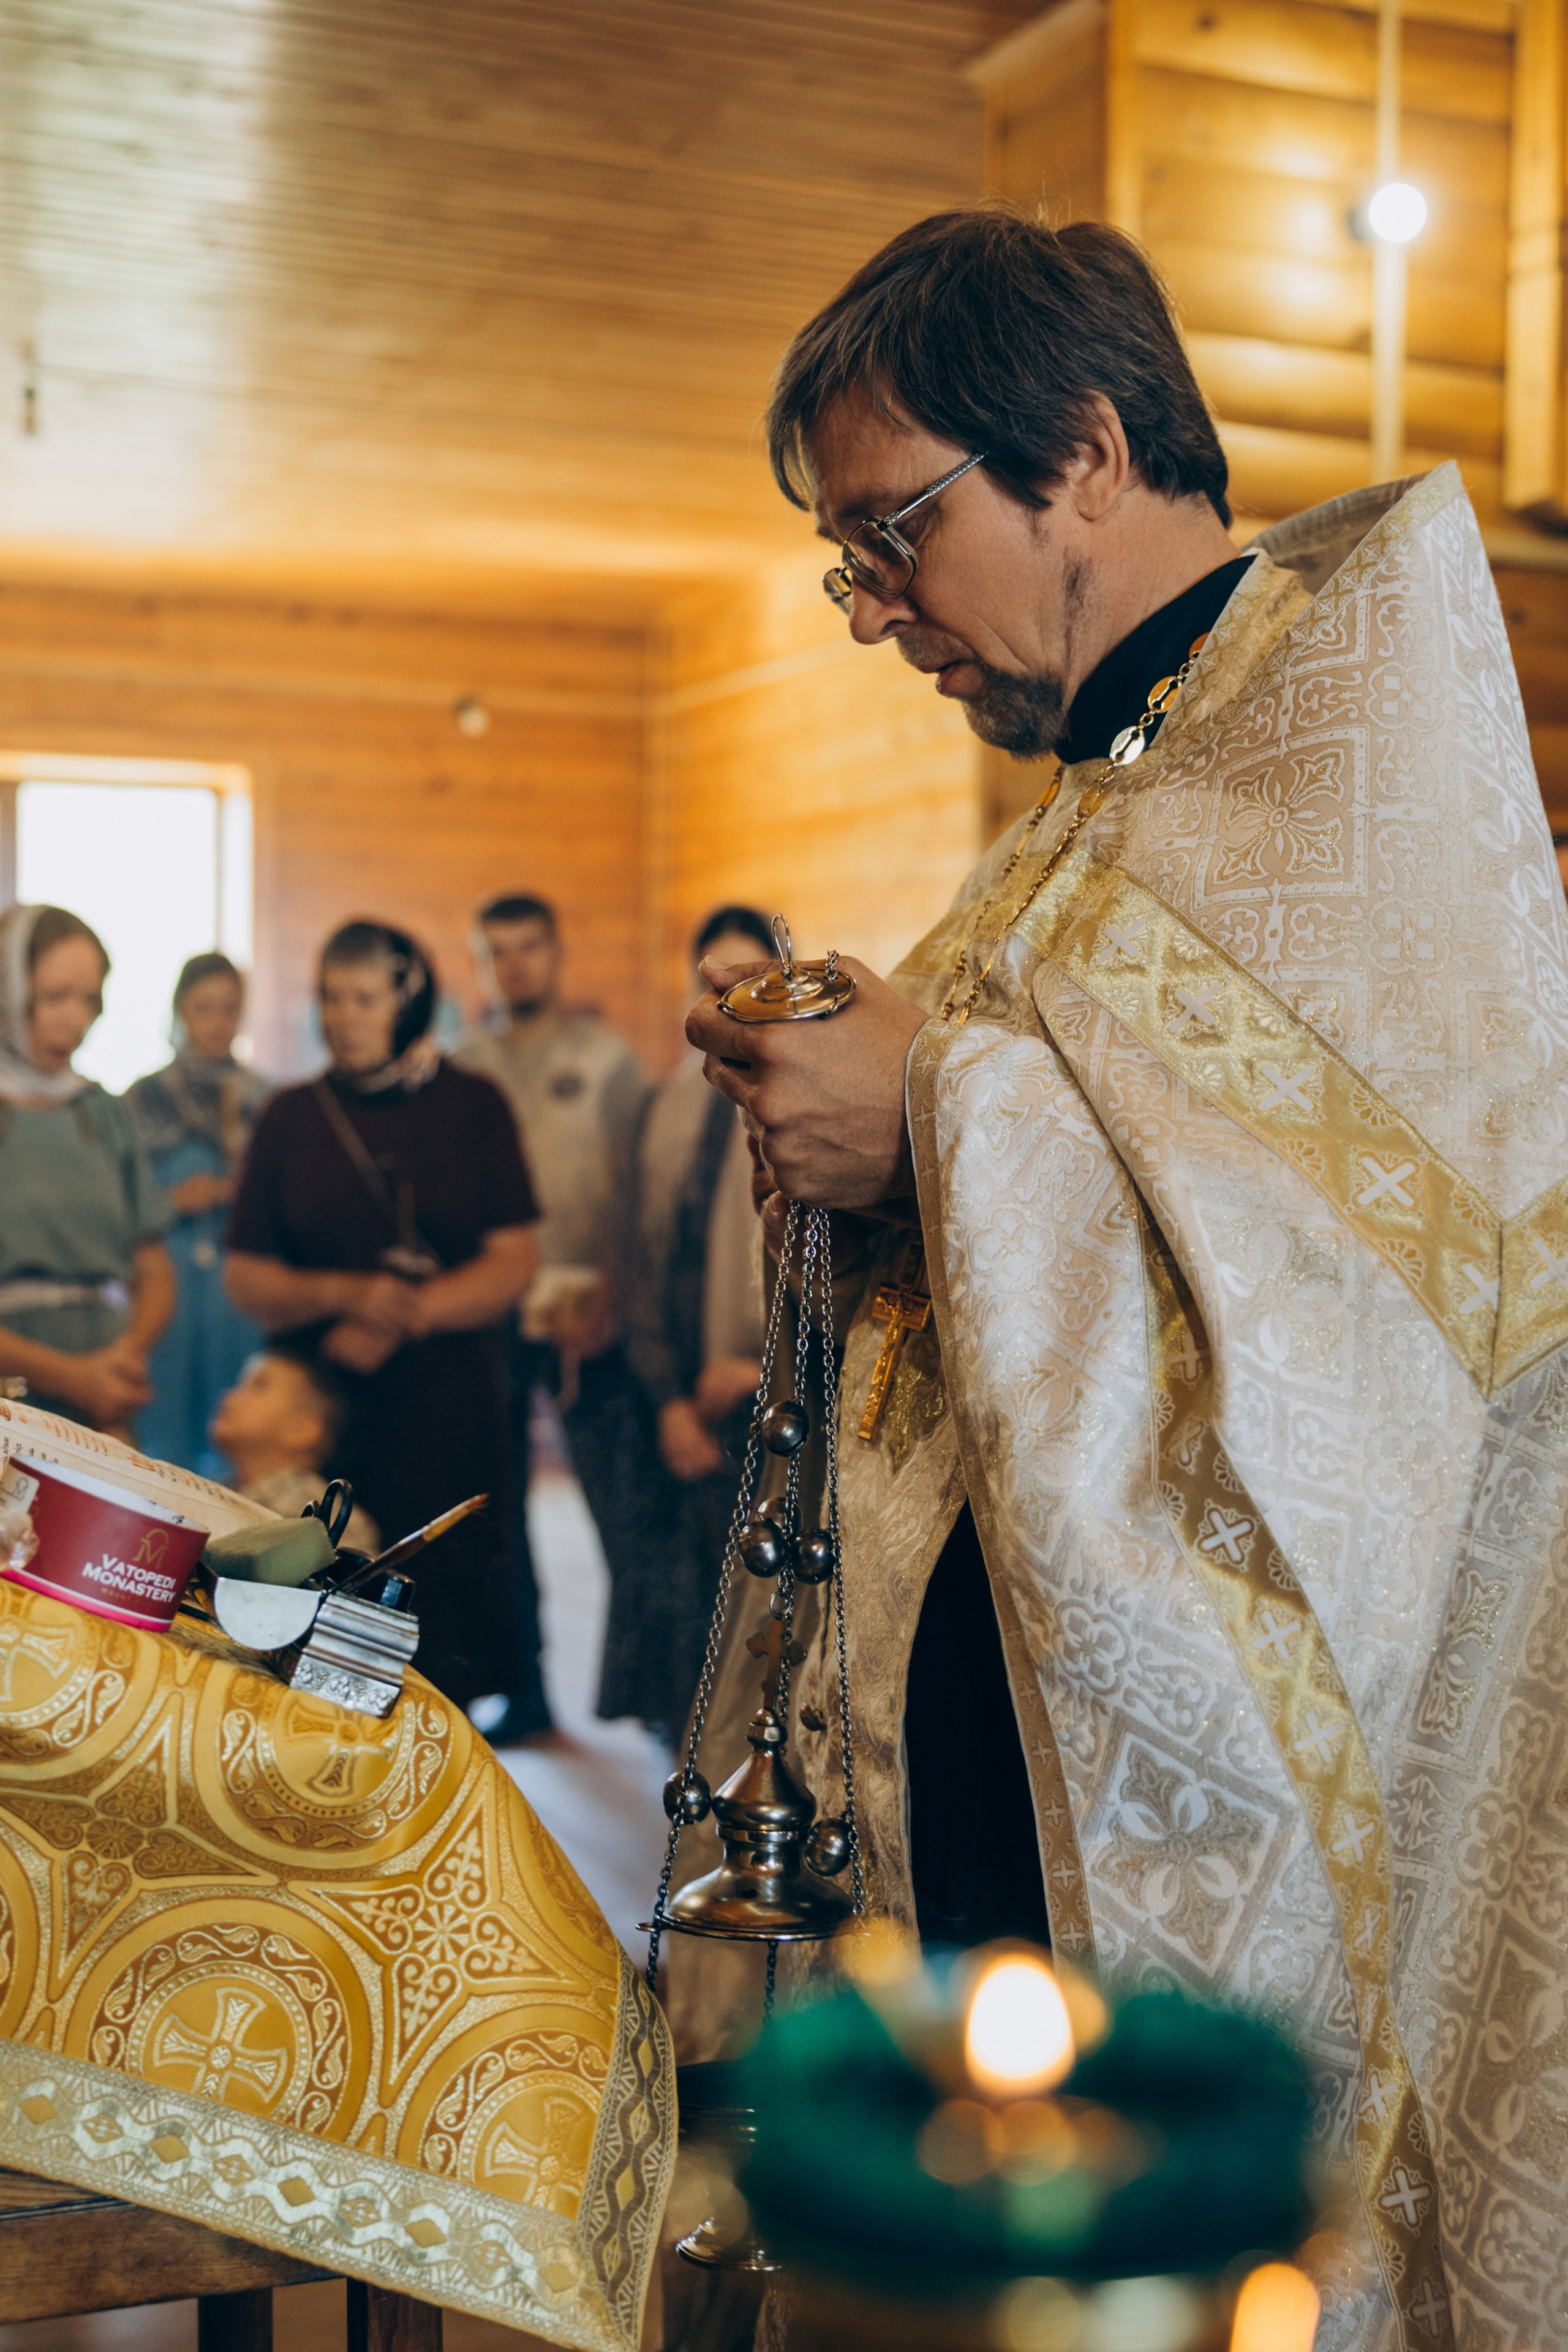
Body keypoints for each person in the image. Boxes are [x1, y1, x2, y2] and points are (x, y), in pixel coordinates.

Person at [681, 212, 1568, 2348]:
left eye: (896, 535)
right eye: (847, 564)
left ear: (1083, 444)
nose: (879, 615)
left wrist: (937, 1121)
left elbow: (1379, 1311)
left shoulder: (1356, 777)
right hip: (1003, 1749)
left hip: (1220, 1792)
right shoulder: (1098, 799)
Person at [225, 919, 540, 1716]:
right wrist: (344, 1296)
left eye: (364, 998)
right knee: (316, 1626)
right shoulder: (291, 1117)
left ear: (408, 1000)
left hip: (445, 1407)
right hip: (320, 1411)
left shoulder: (476, 1106)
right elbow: (247, 1275)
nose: (344, 1017)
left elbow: (513, 1262)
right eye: (331, 997)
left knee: (443, 1620)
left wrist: (406, 1313)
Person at [457, 892, 649, 1735]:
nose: (515, 964)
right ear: (481, 963)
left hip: (589, 1308)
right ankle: (525, 1684)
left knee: (618, 1500)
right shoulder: (468, 1068)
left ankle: (650, 1694)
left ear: (557, 951)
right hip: (499, 1306)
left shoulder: (609, 1060)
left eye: (529, 946)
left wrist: (613, 1291)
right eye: (497, 951)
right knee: (500, 1507)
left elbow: (637, 1190)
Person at [603, 906, 771, 1736]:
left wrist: (754, 1368)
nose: (730, 1001)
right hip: (670, 1391)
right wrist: (668, 1399)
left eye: (751, 980)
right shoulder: (660, 1106)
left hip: (759, 1395)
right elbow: (635, 1260)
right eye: (714, 982)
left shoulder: (798, 1108)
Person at [0, 903, 175, 1437]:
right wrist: (72, 1376)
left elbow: (155, 1269)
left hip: (106, 1401)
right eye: (55, 997)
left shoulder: (102, 1111)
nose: (75, 1019)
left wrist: (123, 1361)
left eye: (89, 1000)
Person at [126, 952, 268, 1477]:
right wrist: (171, 1201)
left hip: (238, 1289)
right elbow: (116, 1207)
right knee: (165, 1426)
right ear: (180, 1011)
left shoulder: (265, 1101)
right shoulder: (143, 1101)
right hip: (169, 1283)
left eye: (228, 1009)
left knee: (239, 1417)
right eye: (203, 1008)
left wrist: (240, 1190)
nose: (216, 1023)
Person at [209, 1340, 380, 1551]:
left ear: (301, 1429)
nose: (229, 1396)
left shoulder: (332, 1521)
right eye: (241, 1384)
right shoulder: (213, 1493)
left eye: (259, 1385)